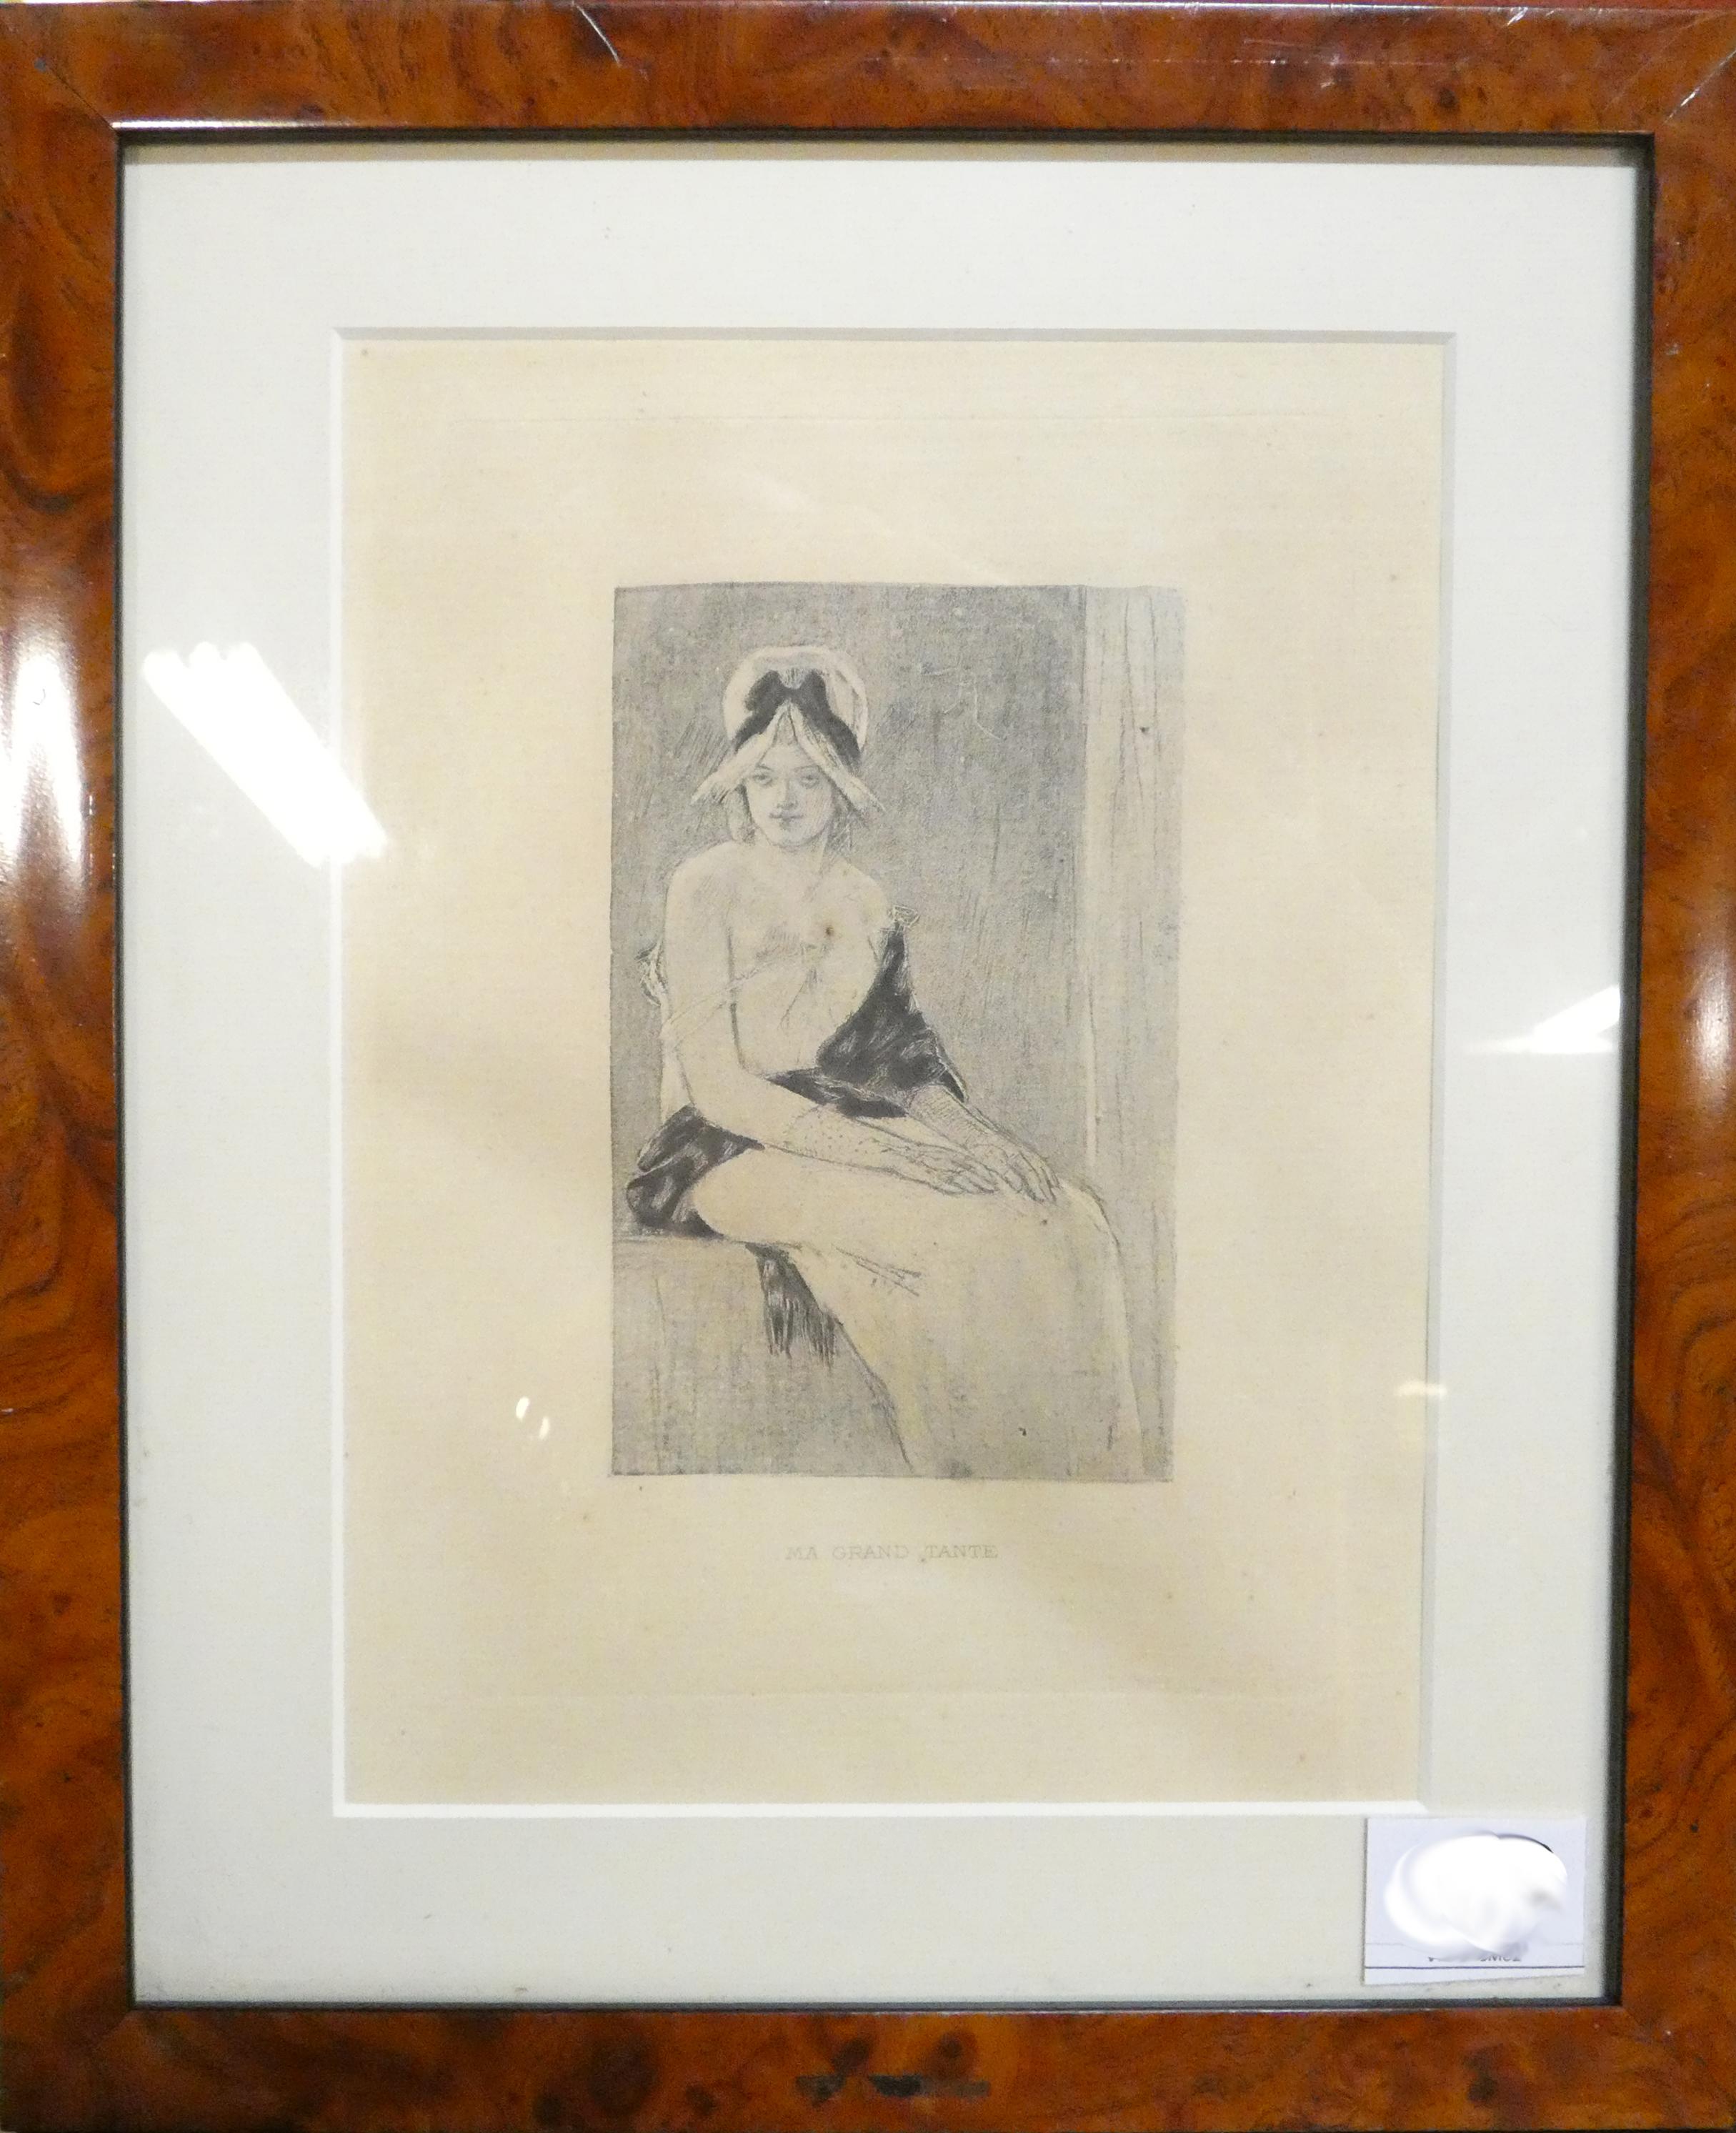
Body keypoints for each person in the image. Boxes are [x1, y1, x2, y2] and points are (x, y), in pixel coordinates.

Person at [627, 645, 1142, 1481]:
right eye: (765, 778)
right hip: (725, 1150)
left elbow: (898, 1063)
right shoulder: (705, 885)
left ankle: (1091, 1481)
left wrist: (985, 1143)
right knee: (962, 1240)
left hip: (850, 1126)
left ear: (841, 785)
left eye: (808, 778)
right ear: (739, 784)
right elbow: (720, 1089)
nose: (785, 800)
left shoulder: (863, 901)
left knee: (1069, 1221)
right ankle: (984, 1481)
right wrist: (895, 1157)